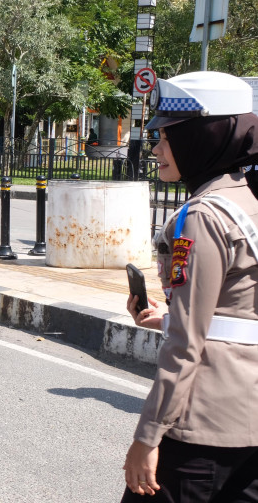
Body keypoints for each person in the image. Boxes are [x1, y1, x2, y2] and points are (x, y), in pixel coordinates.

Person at [122, 71, 258, 502]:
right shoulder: (248, 197)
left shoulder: (204, 215)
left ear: (204, 137)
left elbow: (185, 344)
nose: (157, 147)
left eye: (168, 135)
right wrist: (168, 316)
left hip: (201, 426)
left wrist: (148, 436)